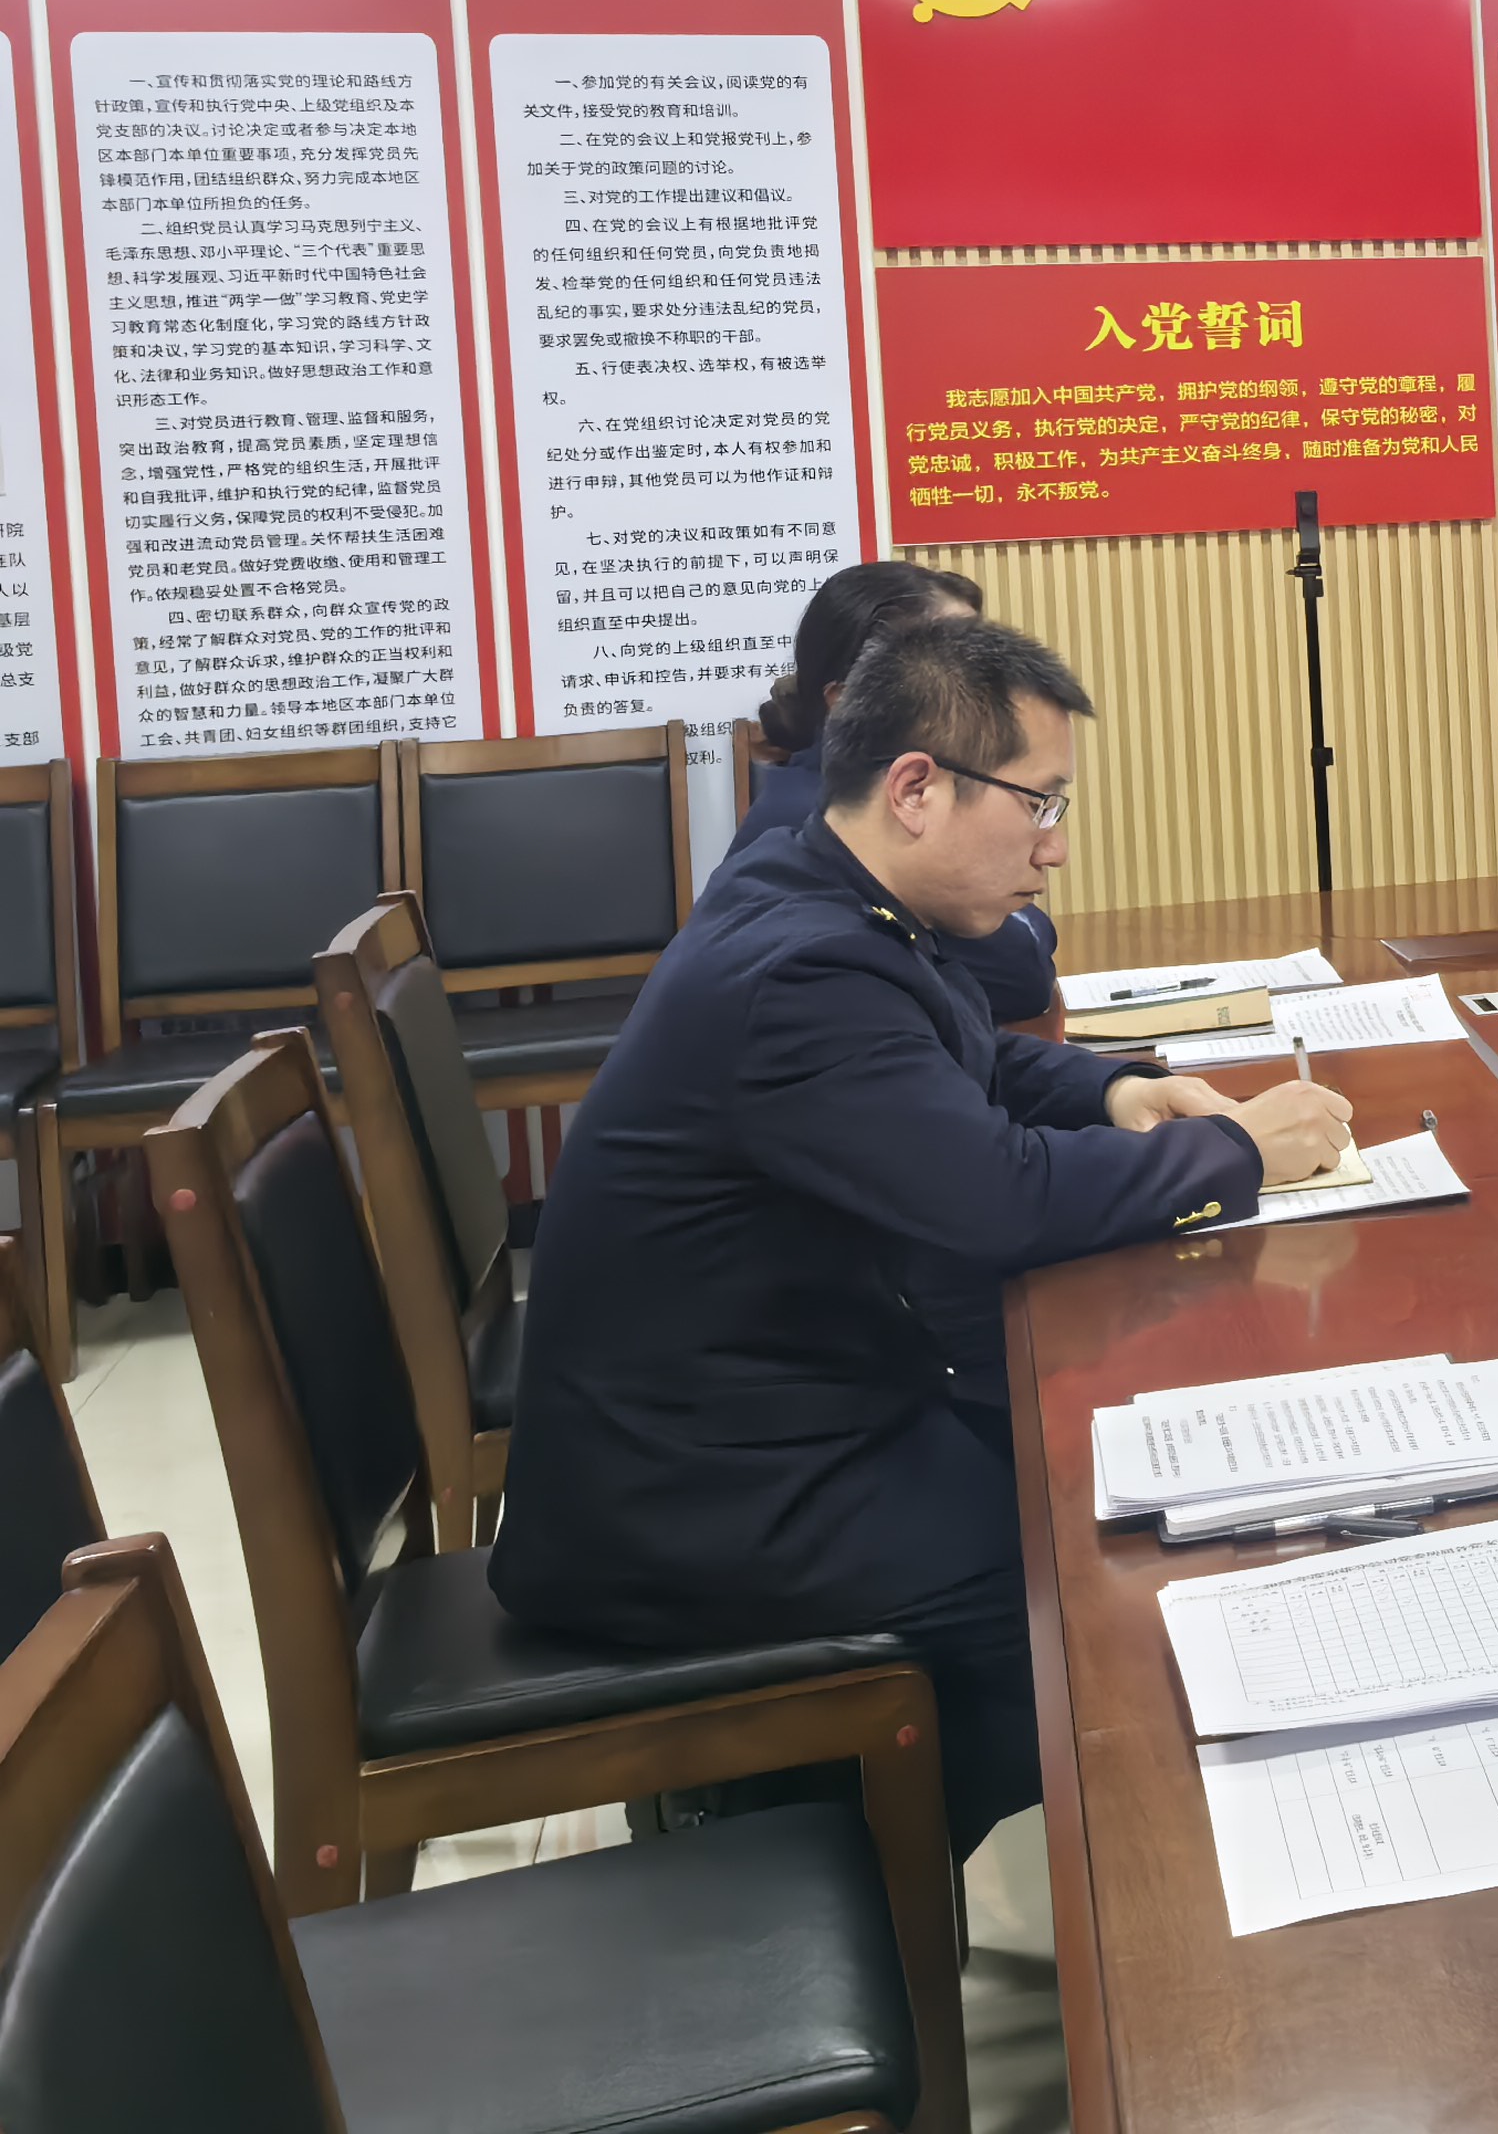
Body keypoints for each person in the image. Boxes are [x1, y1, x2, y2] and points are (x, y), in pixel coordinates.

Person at [495, 615, 1351, 1853]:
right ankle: (812, 1859)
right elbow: (997, 1199)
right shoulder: (802, 970)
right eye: (1039, 805)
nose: (1055, 848)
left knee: (1099, 1494)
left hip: (779, 1408)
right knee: (1098, 1603)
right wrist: (1237, 1154)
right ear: (914, 789)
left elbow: (958, 1062)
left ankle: (842, 1818)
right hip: (699, 1497)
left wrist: (1115, 1092)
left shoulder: (827, 888)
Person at [735, 561, 1057, 1030]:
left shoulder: (874, 793)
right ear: (846, 702)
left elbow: (1019, 938)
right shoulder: (826, 822)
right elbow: (1018, 975)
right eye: (956, 670)